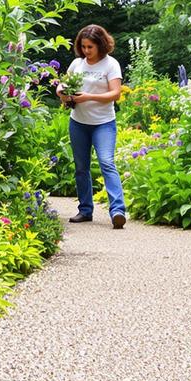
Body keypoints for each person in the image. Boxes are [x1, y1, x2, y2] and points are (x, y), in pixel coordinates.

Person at [58, 24, 127, 229]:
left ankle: (117, 211)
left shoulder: (110, 64)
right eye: (83, 46)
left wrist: (89, 97)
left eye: (90, 47)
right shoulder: (77, 64)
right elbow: (64, 85)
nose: (86, 51)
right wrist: (61, 91)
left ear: (101, 45)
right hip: (78, 122)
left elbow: (115, 94)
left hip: (103, 124)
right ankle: (85, 210)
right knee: (81, 168)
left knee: (106, 162)